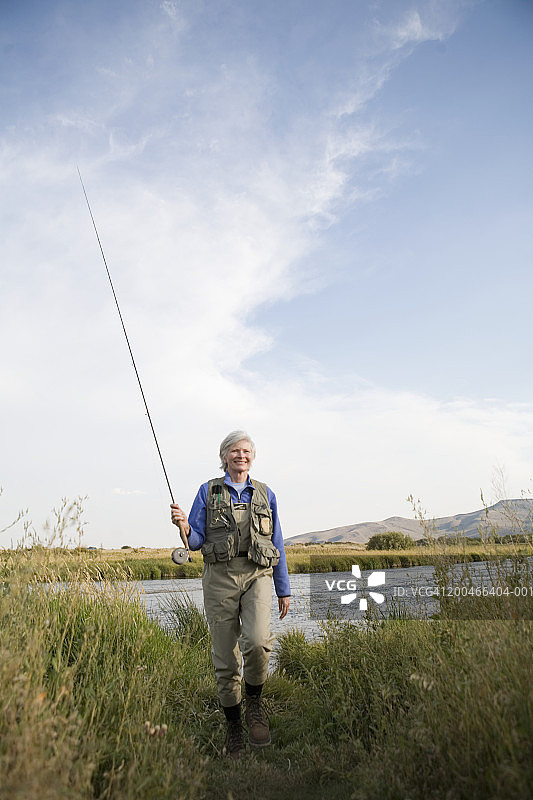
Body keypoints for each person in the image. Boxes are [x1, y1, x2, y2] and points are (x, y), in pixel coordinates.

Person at [170, 430, 291, 759]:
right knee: (225, 659)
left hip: (258, 574)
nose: (241, 456)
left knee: (257, 641)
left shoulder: (266, 494)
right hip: (219, 578)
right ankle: (234, 725)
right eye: (234, 451)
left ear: (253, 457)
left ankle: (254, 703)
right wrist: (182, 524)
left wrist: (284, 589)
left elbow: (276, 544)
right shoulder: (207, 491)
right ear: (224, 457)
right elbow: (194, 541)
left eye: (246, 451)